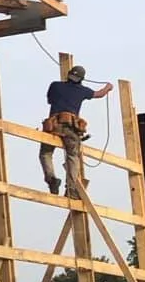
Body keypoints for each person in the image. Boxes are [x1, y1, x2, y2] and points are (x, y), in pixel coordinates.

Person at [39, 64, 112, 194]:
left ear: (69, 74)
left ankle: (51, 180)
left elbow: (50, 101)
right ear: (81, 79)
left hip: (53, 126)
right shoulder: (82, 90)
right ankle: (72, 190)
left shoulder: (55, 85)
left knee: (46, 153)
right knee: (72, 156)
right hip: (71, 129)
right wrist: (108, 87)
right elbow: (99, 94)